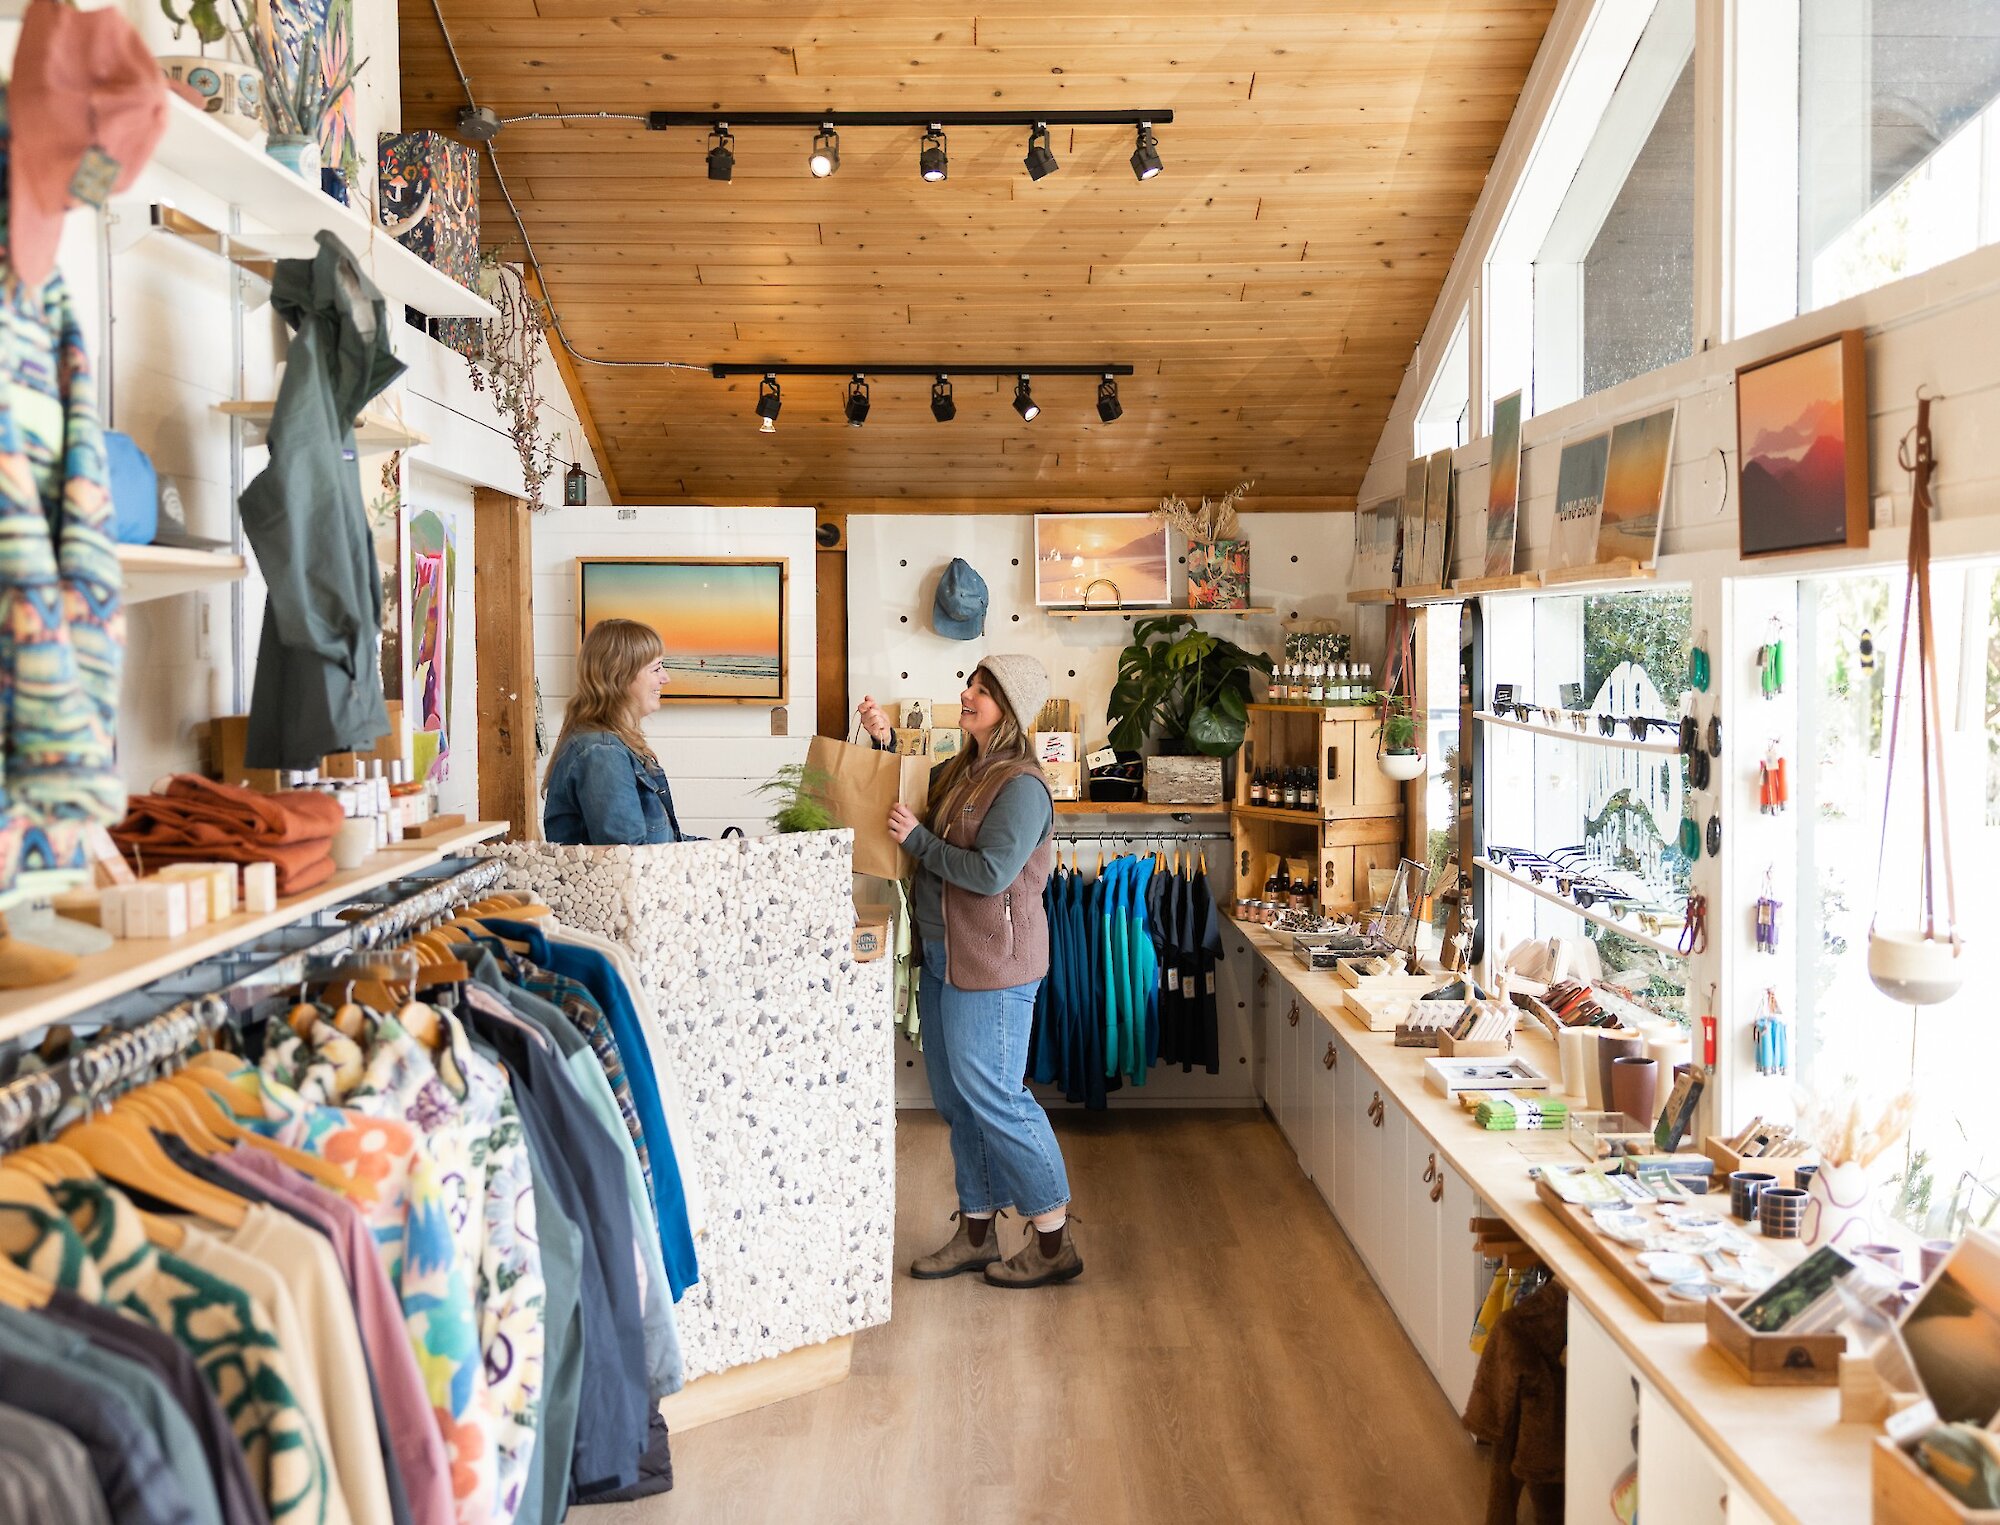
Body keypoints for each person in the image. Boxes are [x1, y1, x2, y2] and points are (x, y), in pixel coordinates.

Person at [857, 657, 1081, 1288]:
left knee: (999, 1099)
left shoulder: (1021, 787)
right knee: (960, 1102)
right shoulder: (966, 769)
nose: (967, 694)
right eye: (970, 685)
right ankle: (976, 1233)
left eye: (982, 691)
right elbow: (914, 796)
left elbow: (989, 874)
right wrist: (881, 738)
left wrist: (919, 844)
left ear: (1009, 709)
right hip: (947, 959)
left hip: (994, 967)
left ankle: (1053, 1240)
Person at [544, 619, 689, 845]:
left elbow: (665, 845)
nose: (665, 678)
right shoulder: (602, 753)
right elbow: (626, 860)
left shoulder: (612, 746)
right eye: (657, 668)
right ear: (621, 676)